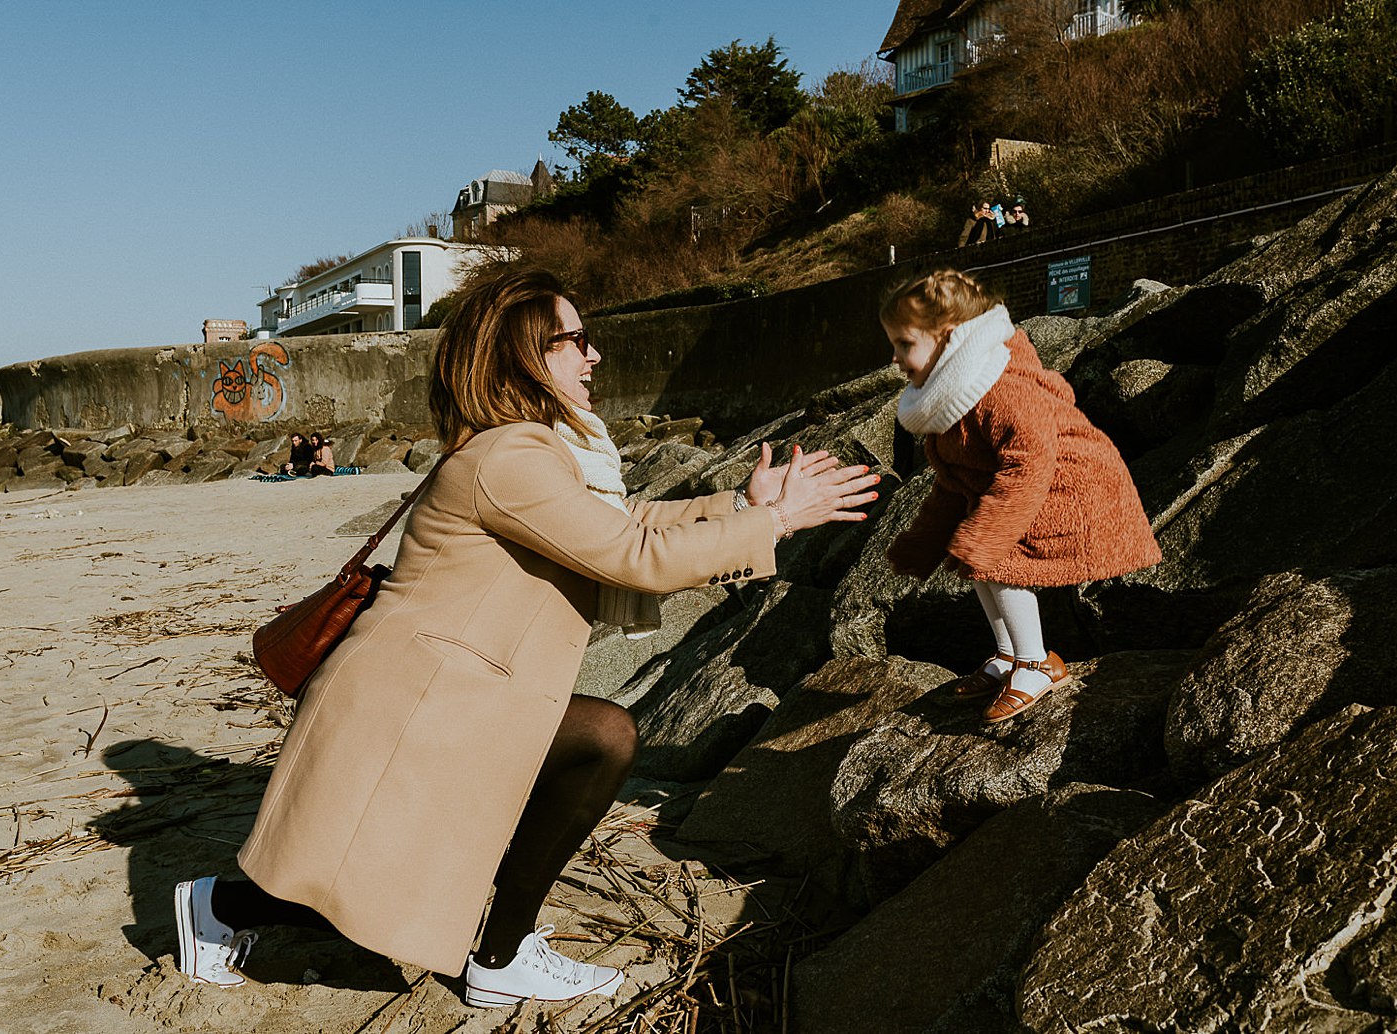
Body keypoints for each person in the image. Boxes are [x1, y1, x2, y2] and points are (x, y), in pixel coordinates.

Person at [173, 269, 880, 1005]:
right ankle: (217, 907)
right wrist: (776, 522)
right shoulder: (510, 457)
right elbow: (637, 558)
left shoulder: (530, 452)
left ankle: (500, 957)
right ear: (522, 356)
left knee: (573, 755)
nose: (593, 355)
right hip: (418, 702)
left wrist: (738, 502)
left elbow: (623, 527)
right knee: (350, 880)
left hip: (462, 690)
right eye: (575, 340)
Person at [881, 269, 1160, 722]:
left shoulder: (1001, 389)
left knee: (996, 557)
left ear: (949, 338)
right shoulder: (952, 397)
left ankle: (1037, 664)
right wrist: (925, 542)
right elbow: (953, 481)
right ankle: (1009, 655)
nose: (894, 357)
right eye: (893, 343)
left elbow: (1031, 462)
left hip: (1075, 487)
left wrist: (985, 536)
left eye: (905, 343)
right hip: (1029, 485)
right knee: (976, 558)